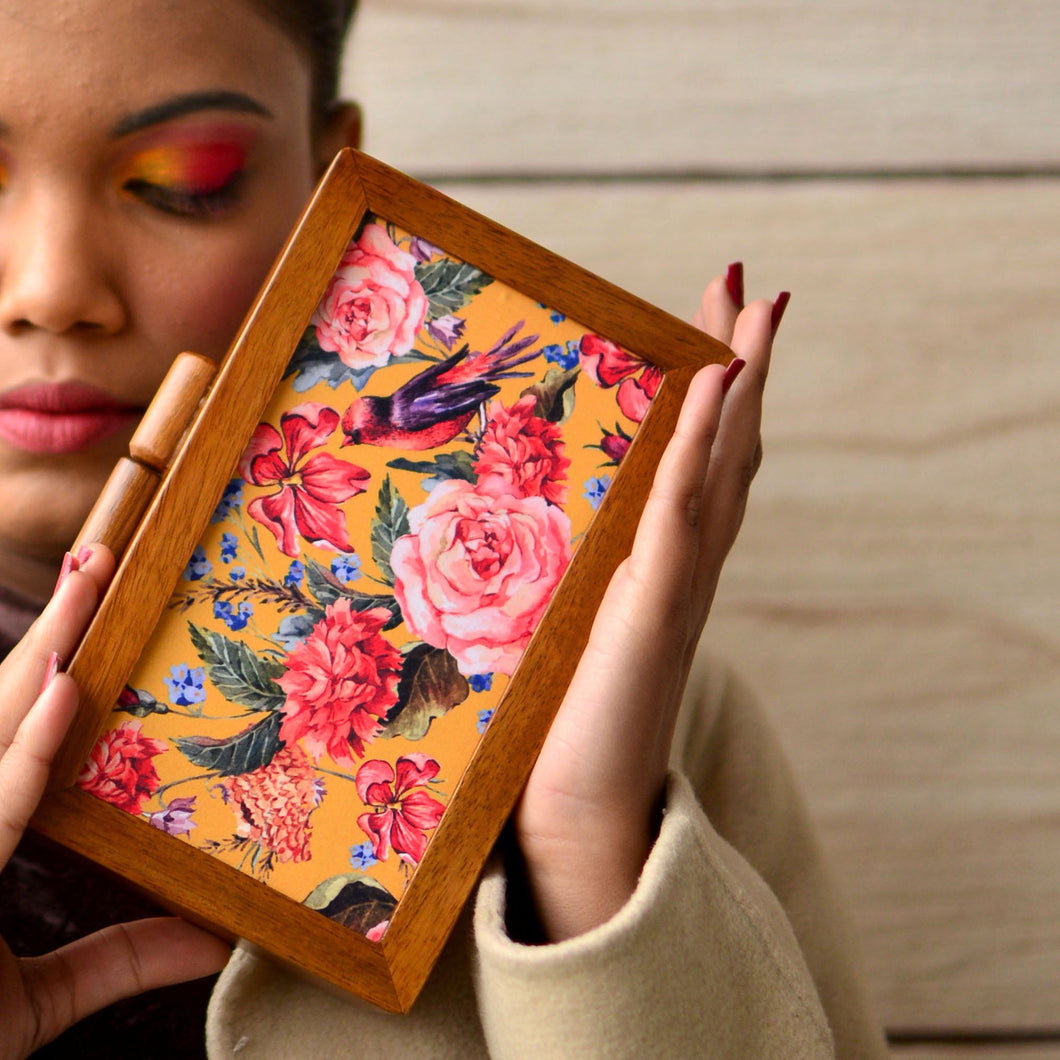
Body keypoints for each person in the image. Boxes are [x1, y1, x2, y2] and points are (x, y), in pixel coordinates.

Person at [0, 1, 889, 1056]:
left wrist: (587, 868)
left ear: (333, 181)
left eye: (186, 183)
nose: (54, 291)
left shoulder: (657, 718)